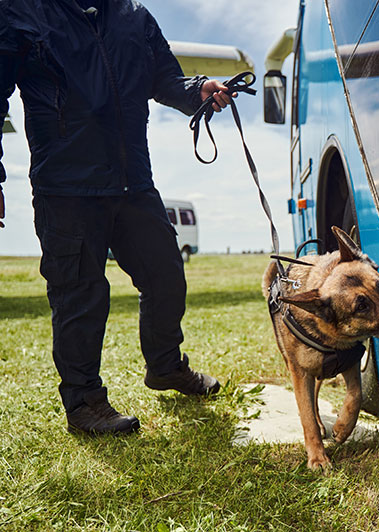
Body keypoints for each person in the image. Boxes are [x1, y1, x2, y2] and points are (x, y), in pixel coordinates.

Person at [0, 0, 234, 435]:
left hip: (133, 182)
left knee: (166, 275)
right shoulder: (21, 11)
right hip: (66, 186)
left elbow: (164, 78)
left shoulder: (134, 16)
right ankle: (85, 402)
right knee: (79, 296)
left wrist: (196, 90)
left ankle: (165, 367)